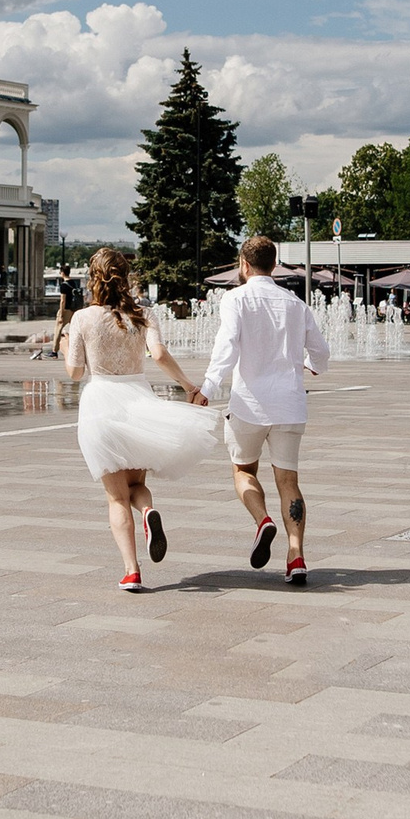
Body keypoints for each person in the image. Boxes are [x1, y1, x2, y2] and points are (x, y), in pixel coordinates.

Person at [65, 247, 217, 591]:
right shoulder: (144, 314)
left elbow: (74, 372)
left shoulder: (82, 318)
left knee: (116, 497)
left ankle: (132, 571)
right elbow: (159, 355)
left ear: (93, 279)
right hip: (138, 402)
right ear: (126, 278)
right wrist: (189, 386)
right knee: (136, 486)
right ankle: (148, 512)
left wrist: (64, 349)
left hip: (101, 405)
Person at [196, 234, 331, 586]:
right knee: (289, 481)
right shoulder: (296, 304)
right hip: (289, 405)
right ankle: (296, 555)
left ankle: (262, 520)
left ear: (243, 264)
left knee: (243, 470)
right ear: (275, 265)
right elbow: (321, 352)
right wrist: (311, 365)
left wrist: (208, 388)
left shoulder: (235, 299)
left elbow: (227, 345)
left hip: (249, 405)